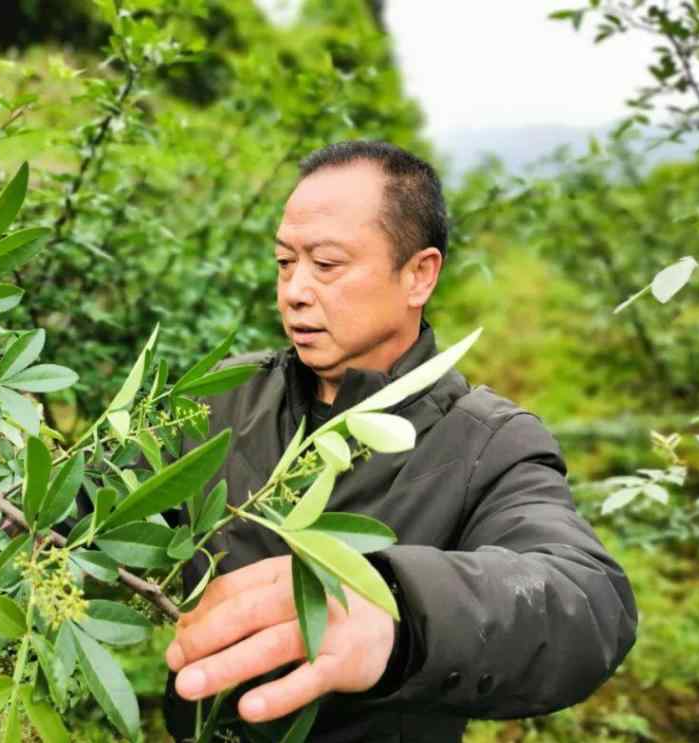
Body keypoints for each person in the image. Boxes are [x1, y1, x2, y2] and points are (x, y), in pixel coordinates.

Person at [159, 141, 638, 742]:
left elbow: (585, 603)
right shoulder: (221, 398)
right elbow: (97, 498)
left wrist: (399, 610)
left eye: (326, 265)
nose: (295, 291)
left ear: (419, 274)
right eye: (285, 263)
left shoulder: (490, 445)